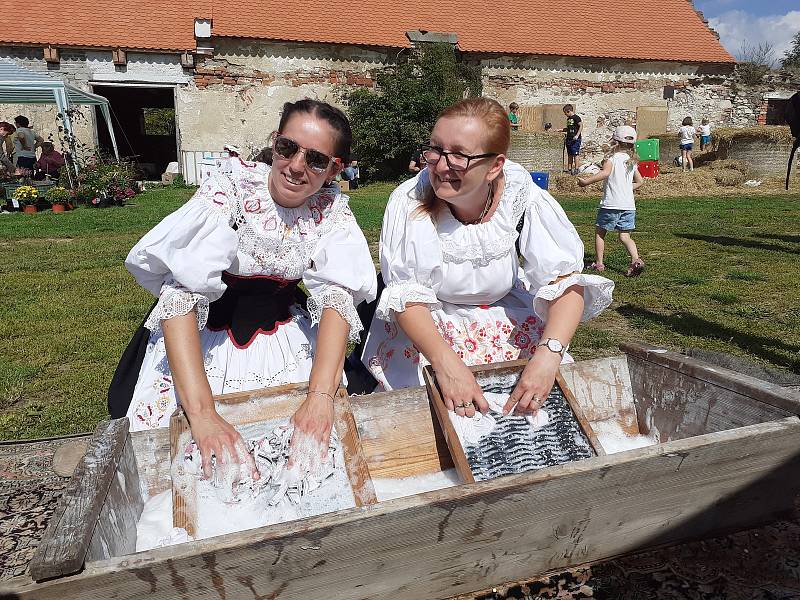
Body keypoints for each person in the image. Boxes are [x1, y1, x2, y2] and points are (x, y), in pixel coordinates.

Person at [110, 99, 377, 479]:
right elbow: (182, 295)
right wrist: (202, 415)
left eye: (316, 160)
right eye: (288, 148)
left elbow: (337, 298)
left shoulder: (331, 210)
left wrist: (319, 399)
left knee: (309, 448)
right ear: (275, 142)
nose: (297, 166)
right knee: (186, 461)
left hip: (285, 333)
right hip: (203, 335)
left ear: (336, 168)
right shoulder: (232, 189)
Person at [361, 98, 613, 419]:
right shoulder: (409, 201)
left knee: (538, 416)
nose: (440, 166)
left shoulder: (522, 195)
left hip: (508, 318)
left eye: (459, 156)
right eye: (435, 149)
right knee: (435, 424)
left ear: (495, 166)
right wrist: (447, 365)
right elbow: (407, 298)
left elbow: (564, 282)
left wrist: (548, 356)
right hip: (431, 329)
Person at [577, 125, 645, 277]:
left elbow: (605, 173)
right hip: (628, 206)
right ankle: (636, 259)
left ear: (615, 142)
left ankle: (599, 263)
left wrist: (586, 182)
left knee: (600, 233)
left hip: (611, 204)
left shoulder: (610, 159)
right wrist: (626, 188)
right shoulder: (631, 161)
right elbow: (640, 182)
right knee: (625, 237)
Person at [560, 105, 583, 175]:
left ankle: (576, 169)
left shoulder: (576, 117)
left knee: (575, 153)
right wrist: (561, 130)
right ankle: (569, 169)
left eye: (565, 113)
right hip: (569, 138)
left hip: (575, 139)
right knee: (569, 154)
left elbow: (581, 125)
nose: (565, 114)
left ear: (568, 111)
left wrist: (577, 135)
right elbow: (569, 128)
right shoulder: (569, 119)